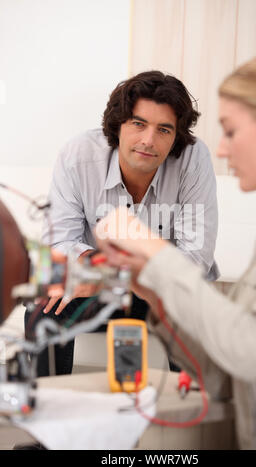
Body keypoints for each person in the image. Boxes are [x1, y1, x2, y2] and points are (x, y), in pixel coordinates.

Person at [95, 52, 256, 450]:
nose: (221, 150)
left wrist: (154, 252)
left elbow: (248, 351)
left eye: (230, 131)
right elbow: (227, 375)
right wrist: (156, 297)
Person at [25, 70, 220, 376]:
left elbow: (194, 260)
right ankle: (52, 410)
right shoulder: (78, 156)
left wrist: (111, 274)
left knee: (196, 313)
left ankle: (195, 415)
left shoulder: (193, 160)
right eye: (138, 124)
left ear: (176, 138)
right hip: (94, 291)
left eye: (164, 130)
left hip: (164, 292)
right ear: (118, 126)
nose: (148, 141)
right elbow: (58, 242)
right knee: (44, 307)